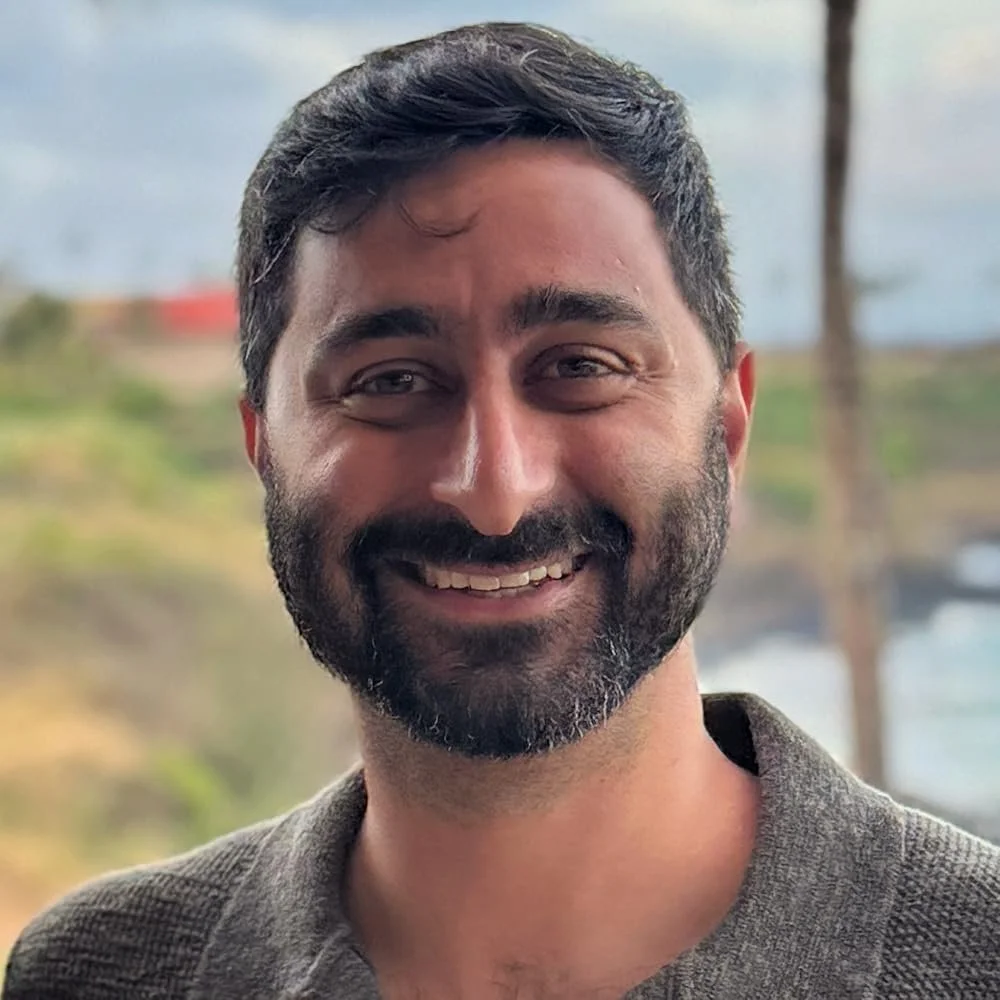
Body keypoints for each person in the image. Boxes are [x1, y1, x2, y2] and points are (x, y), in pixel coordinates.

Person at [5, 21, 999, 1000]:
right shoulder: (99, 972)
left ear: (727, 425)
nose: (494, 490)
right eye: (390, 380)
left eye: (579, 367)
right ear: (264, 445)